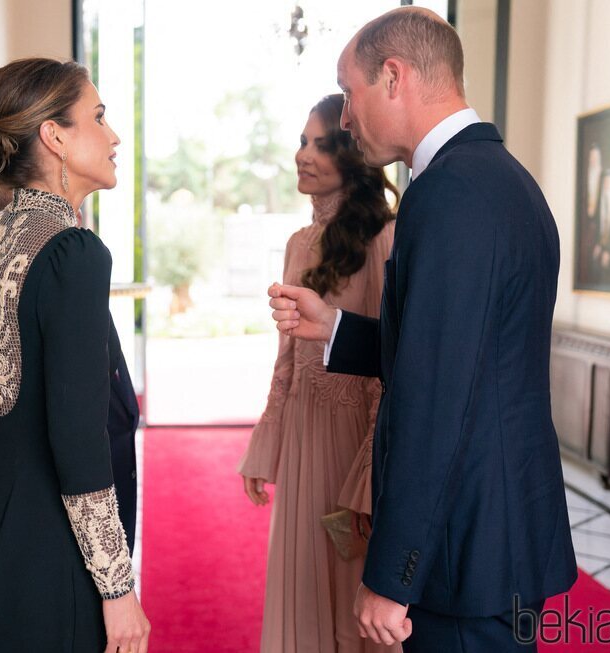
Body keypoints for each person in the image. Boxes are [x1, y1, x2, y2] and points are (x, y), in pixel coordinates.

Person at [268, 8, 576, 652]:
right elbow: (466, 357)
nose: (345, 117)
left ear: (393, 76)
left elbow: (436, 400)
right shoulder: (503, 179)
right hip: (502, 526)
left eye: (349, 94)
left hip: (463, 547)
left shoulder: (448, 193)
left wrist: (391, 573)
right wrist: (337, 330)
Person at [0, 57, 150, 653]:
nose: (112, 137)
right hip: (48, 545)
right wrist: (117, 589)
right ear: (54, 136)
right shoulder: (73, 252)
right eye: (99, 118)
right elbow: (79, 438)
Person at [240, 94, 398, 653]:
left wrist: (367, 480)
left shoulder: (386, 239)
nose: (302, 154)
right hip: (306, 434)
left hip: (355, 443)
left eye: (320, 143)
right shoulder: (297, 244)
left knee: (353, 601)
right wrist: (267, 445)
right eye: (302, 141)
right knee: (303, 591)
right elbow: (288, 361)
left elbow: (389, 369)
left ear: (352, 154)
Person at [0, 175, 141, 553]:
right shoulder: (64, 264)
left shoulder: (72, 270)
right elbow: (73, 434)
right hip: (58, 523)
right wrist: (116, 586)